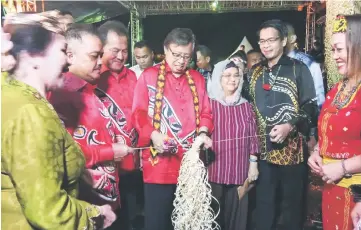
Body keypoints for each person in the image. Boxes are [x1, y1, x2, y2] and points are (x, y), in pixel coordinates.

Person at [1, 13, 115, 229]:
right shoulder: (30, 113)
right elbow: (49, 212)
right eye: (63, 51)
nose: (68, 60)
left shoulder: (15, 96)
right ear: (33, 57)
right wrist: (94, 213)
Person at [132, 28, 213, 230]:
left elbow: (206, 113)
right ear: (165, 50)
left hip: (190, 167)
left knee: (189, 222)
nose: (180, 61)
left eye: (186, 56)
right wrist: (152, 134)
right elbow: (138, 114)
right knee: (157, 222)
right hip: (158, 167)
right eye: (176, 55)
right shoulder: (148, 77)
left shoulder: (197, 78)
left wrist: (203, 133)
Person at [49, 24, 133, 214]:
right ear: (70, 56)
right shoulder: (62, 95)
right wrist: (109, 151)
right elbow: (61, 155)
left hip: (106, 199)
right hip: (86, 204)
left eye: (100, 55)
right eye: (93, 56)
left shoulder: (89, 89)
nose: (100, 63)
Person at [248, 19, 318, 230]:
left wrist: (290, 125)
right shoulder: (254, 72)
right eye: (262, 41)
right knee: (263, 205)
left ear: (283, 40)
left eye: (271, 40)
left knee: (291, 207)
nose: (266, 45)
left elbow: (310, 107)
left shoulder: (298, 69)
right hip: (263, 153)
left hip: (293, 152)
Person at [307, 14, 361, 230]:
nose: (335, 56)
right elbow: (328, 134)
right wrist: (318, 152)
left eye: (340, 49)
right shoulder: (336, 90)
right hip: (331, 191)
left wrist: (341, 167)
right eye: (332, 50)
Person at [98, 20, 141, 230]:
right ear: (101, 47)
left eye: (125, 51)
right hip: (104, 169)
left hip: (132, 165)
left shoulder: (132, 76)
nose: (121, 56)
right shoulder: (93, 78)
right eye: (115, 50)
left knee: (131, 217)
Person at [207, 60, 260, 230]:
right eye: (227, 76)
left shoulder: (246, 106)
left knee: (237, 219)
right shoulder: (210, 105)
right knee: (214, 216)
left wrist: (253, 165)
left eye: (236, 75)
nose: (232, 80)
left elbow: (253, 137)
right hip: (214, 171)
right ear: (218, 79)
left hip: (239, 172)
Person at [285, 22, 325, 109]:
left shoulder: (308, 63)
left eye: (282, 37)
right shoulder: (272, 63)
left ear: (292, 39)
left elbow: (319, 98)